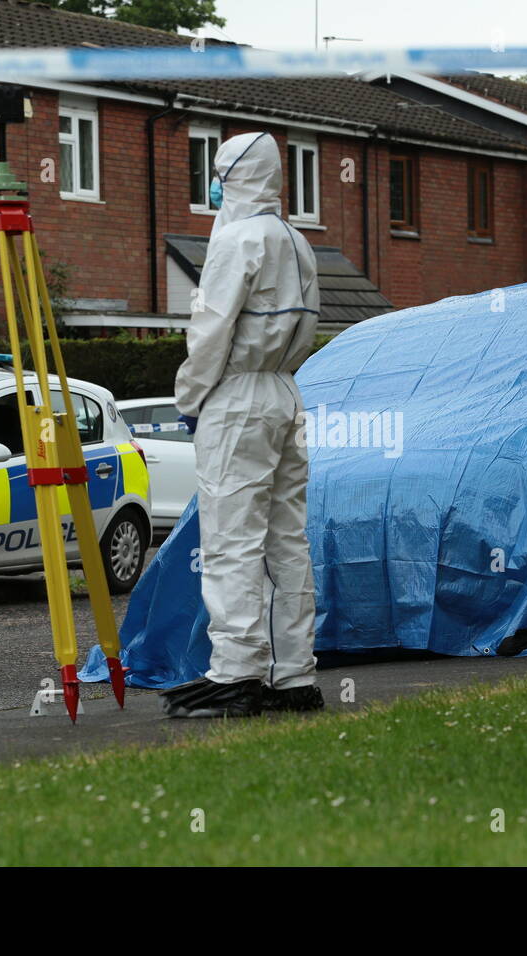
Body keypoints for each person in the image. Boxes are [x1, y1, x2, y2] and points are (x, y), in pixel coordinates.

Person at [162, 131, 323, 719]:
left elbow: (211, 331)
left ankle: (235, 672)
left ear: (231, 177)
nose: (212, 185)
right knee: (286, 541)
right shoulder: (298, 243)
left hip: (237, 397)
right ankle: (293, 674)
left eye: (217, 174)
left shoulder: (235, 240)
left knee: (231, 540)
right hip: (285, 390)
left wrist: (190, 398)